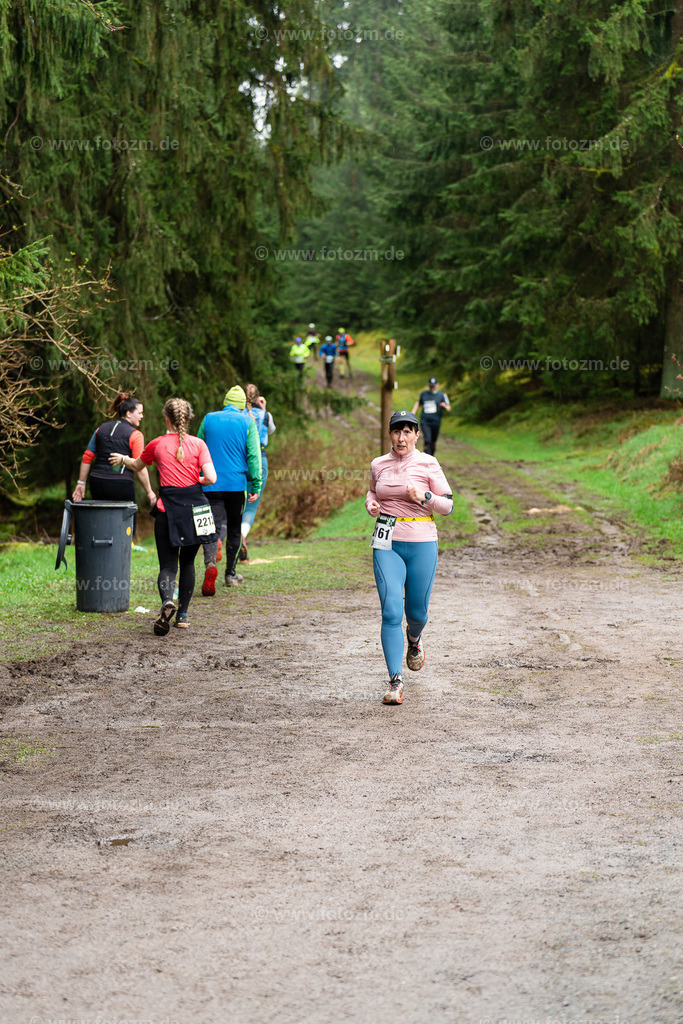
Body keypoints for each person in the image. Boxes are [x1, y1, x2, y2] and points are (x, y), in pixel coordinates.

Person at [365, 410, 454, 705]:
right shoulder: (378, 464)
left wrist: (425, 497)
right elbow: (371, 491)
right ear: (389, 434)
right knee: (391, 611)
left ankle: (414, 640)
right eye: (396, 431)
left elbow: (447, 506)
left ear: (417, 434)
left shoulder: (428, 463)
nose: (401, 438)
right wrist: (371, 503)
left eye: (407, 432)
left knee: (417, 613)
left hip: (421, 541)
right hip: (386, 540)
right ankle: (395, 681)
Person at [109, 397, 217, 634]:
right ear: (188, 420)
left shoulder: (157, 444)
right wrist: (195, 481)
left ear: (166, 419)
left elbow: (138, 466)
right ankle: (183, 615)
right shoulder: (199, 444)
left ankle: (167, 599)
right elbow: (211, 478)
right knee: (188, 562)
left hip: (168, 510)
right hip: (197, 509)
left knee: (168, 566)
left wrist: (123, 459)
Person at [196, 385, 262, 594]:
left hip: (209, 483)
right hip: (235, 485)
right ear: (242, 406)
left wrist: (196, 478)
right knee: (233, 527)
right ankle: (230, 575)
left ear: (225, 403)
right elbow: (253, 455)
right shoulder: (247, 421)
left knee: (209, 527)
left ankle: (209, 564)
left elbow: (198, 447)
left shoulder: (208, 419)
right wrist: (256, 483)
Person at [72, 394, 156, 533]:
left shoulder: (100, 429)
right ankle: (121, 553)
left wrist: (81, 483)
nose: (141, 416)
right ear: (129, 414)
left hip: (97, 482)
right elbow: (139, 467)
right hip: (121, 485)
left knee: (101, 525)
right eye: (140, 413)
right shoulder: (135, 435)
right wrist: (149, 492)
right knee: (126, 529)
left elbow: (87, 457)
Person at [239, 384, 276, 562]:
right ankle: (241, 535)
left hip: (239, 459)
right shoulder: (265, 415)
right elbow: (271, 430)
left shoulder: (238, 415)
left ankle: (232, 536)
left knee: (236, 499)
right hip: (260, 458)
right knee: (252, 505)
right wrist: (264, 409)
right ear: (258, 398)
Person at [412, 376, 451, 456]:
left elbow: (448, 408)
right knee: (427, 440)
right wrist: (413, 413)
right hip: (425, 422)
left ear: (437, 385)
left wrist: (444, 406)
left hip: (436, 422)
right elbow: (418, 403)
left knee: (433, 442)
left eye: (434, 385)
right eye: (430, 385)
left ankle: (431, 457)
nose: (432, 387)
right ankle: (426, 458)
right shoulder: (424, 394)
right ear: (428, 385)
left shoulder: (442, 395)